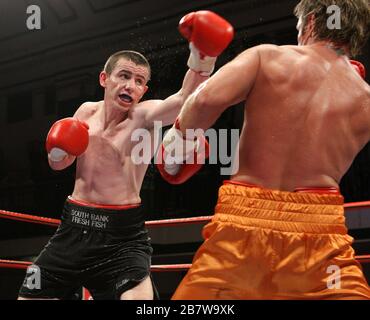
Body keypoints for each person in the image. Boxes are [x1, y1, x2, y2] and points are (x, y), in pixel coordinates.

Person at [158, 0, 370, 299]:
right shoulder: (365, 99)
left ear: (309, 23)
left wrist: (176, 149)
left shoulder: (267, 57)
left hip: (242, 234)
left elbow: (204, 101)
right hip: (323, 242)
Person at [17, 11, 233, 300]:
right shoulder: (84, 112)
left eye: (139, 81)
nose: (130, 85)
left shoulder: (144, 117)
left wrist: (202, 56)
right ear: (105, 79)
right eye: (124, 76)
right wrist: (59, 150)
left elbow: (184, 99)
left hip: (122, 237)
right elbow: (58, 165)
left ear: (144, 90)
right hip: (72, 228)